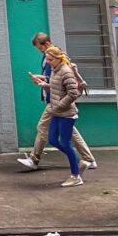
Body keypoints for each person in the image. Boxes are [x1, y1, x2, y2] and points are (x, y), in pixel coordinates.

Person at [17, 32, 96, 171]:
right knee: (70, 131)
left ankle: (34, 159)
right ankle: (89, 159)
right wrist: (42, 80)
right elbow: (52, 78)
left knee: (43, 127)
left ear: (46, 44)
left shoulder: (57, 58)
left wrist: (57, 102)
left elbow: (65, 84)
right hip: (56, 100)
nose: (45, 57)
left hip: (56, 102)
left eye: (40, 48)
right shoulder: (50, 57)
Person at [39, 45, 86, 186]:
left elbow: (74, 93)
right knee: (53, 140)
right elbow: (55, 88)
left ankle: (76, 176)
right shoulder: (55, 70)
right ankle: (79, 162)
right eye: (46, 59)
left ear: (58, 59)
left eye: (50, 59)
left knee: (65, 142)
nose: (48, 62)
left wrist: (59, 105)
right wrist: (44, 85)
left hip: (66, 114)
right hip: (57, 112)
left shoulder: (66, 71)